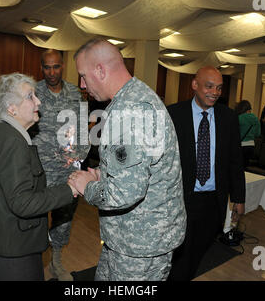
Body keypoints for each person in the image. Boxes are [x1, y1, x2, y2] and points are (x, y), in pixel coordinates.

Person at [68, 39, 186, 281]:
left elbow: (123, 194)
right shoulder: (129, 100)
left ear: (100, 70)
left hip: (141, 246)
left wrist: (86, 186)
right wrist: (102, 173)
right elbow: (136, 166)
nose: (81, 84)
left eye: (83, 76)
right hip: (127, 238)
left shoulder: (131, 112)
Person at [0, 73, 78, 281]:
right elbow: (23, 203)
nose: (38, 101)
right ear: (11, 108)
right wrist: (71, 189)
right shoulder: (11, 142)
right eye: (31, 96)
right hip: (11, 249)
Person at [167, 66, 246, 281]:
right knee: (179, 254)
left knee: (198, 252)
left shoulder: (228, 117)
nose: (215, 92)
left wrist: (238, 198)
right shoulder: (174, 114)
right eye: (209, 86)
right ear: (195, 85)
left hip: (213, 201)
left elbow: (235, 161)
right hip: (182, 198)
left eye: (219, 88)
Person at [30, 49, 90, 281]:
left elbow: (84, 127)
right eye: (47, 67)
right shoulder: (32, 92)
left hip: (67, 168)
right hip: (40, 167)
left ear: (63, 66)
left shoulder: (75, 93)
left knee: (64, 216)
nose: (51, 72)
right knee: (35, 215)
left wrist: (80, 156)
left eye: (56, 67)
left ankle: (55, 262)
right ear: (41, 67)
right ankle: (33, 262)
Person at [235, 100, 261, 169]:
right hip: (251, 146)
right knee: (246, 168)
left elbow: (234, 133)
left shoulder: (238, 118)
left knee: (238, 168)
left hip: (240, 146)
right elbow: (258, 134)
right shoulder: (255, 118)